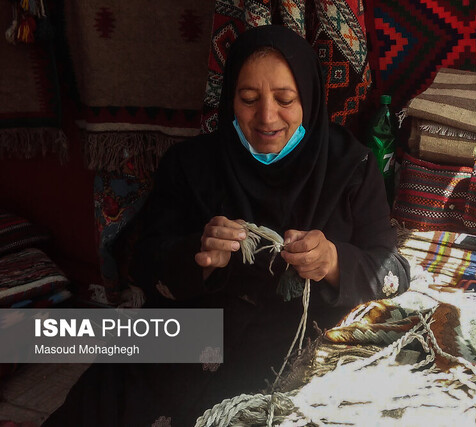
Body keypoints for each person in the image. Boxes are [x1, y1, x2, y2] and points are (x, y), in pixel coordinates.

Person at [44, 24, 410, 426]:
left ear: (309, 97)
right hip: (196, 325)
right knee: (104, 398)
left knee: (251, 414)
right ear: (230, 101)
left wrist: (333, 262)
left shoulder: (351, 168)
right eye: (248, 99)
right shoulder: (192, 165)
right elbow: (146, 262)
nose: (266, 117)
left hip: (296, 335)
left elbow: (392, 270)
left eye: (285, 99)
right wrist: (197, 257)